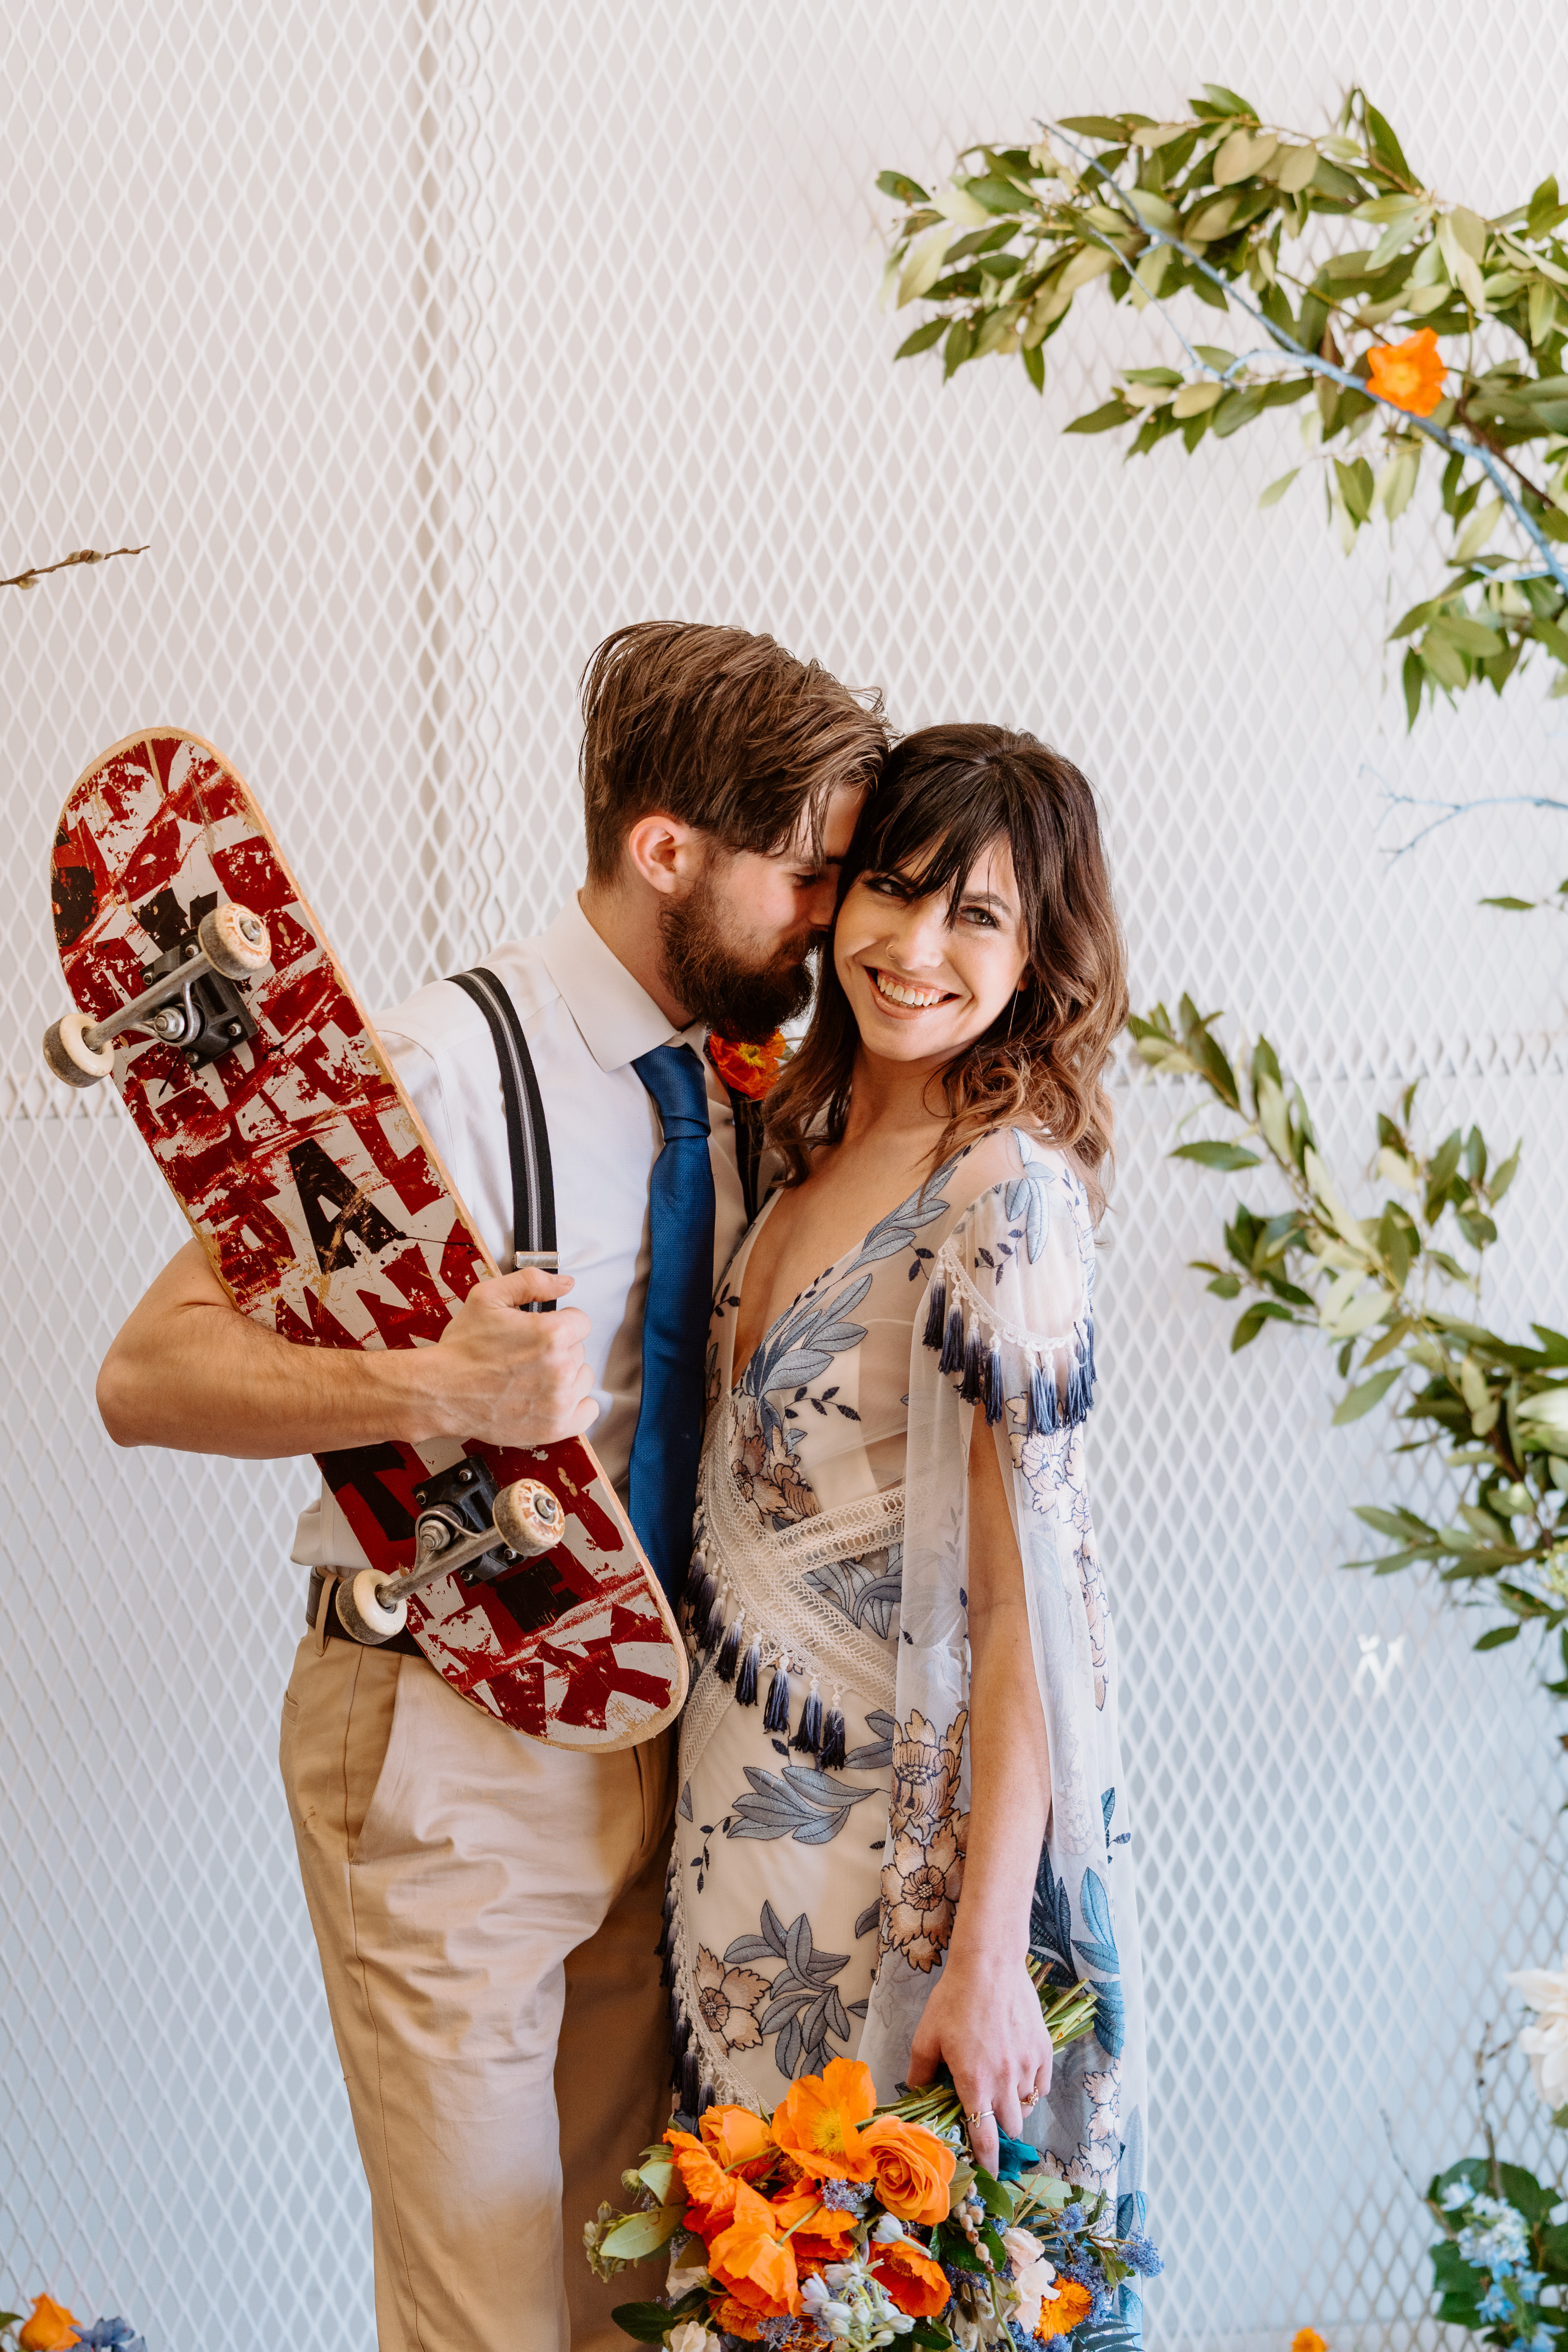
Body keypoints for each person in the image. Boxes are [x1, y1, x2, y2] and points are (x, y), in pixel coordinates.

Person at [94, 621, 887, 2352]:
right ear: (667, 851)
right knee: (481, 2319)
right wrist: (431, 1380)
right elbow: (140, 1379)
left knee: (630, 2303)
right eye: (804, 876)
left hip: (655, 1742)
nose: (825, 921)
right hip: (445, 1743)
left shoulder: (737, 1089)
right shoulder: (438, 1069)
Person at [667, 724, 1149, 2325]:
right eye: (894, 888)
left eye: (979, 918)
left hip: (899, 1889)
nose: (918, 949)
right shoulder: (791, 1154)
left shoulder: (1000, 1191)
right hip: (732, 1865)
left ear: (1041, 958)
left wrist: (988, 1956)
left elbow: (1034, 1621)